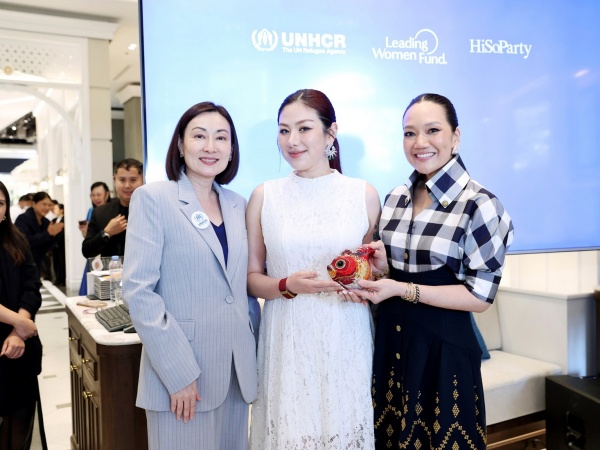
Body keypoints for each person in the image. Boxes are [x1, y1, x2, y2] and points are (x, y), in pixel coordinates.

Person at [352, 93, 514, 449]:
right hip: (391, 346)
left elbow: (480, 297)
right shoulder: (395, 198)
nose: (419, 142)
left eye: (432, 130)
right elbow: (392, 276)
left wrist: (403, 289)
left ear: (455, 136)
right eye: (409, 133)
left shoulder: (480, 205)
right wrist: (383, 270)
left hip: (444, 352)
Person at [247, 89, 381, 449]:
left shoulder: (363, 194)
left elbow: (371, 271)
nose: (292, 140)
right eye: (284, 130)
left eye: (304, 128)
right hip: (287, 336)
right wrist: (287, 285)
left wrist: (368, 281)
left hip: (346, 334)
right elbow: (251, 279)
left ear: (330, 132)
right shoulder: (264, 196)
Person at [123, 102, 258, 450]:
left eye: (221, 138)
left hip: (236, 371)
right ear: (181, 146)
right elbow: (139, 291)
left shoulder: (238, 204)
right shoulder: (153, 198)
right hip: (183, 376)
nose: (211, 146)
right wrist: (178, 373)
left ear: (232, 149)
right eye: (199, 136)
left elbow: (239, 287)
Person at [0, 181, 45, 449]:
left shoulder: (17, 239)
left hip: (21, 345)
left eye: (0, 203)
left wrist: (19, 332)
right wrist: (20, 322)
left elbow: (32, 285)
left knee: (21, 418)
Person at [82, 158, 143, 259]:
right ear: (114, 180)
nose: (127, 185)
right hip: (112, 268)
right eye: (122, 180)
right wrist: (106, 233)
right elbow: (87, 251)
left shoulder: (153, 211)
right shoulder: (100, 213)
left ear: (142, 180)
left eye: (133, 180)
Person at [15, 192, 64, 279]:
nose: (47, 208)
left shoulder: (45, 222)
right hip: (22, 263)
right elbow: (25, 242)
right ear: (34, 204)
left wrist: (55, 235)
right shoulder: (22, 219)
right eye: (44, 204)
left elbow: (46, 247)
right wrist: (48, 233)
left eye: (49, 205)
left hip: (38, 263)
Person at [78, 182, 112, 295]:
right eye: (93, 195)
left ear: (107, 194)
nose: (96, 198)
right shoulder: (91, 211)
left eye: (99, 194)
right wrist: (85, 232)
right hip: (94, 256)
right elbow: (89, 238)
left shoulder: (113, 211)